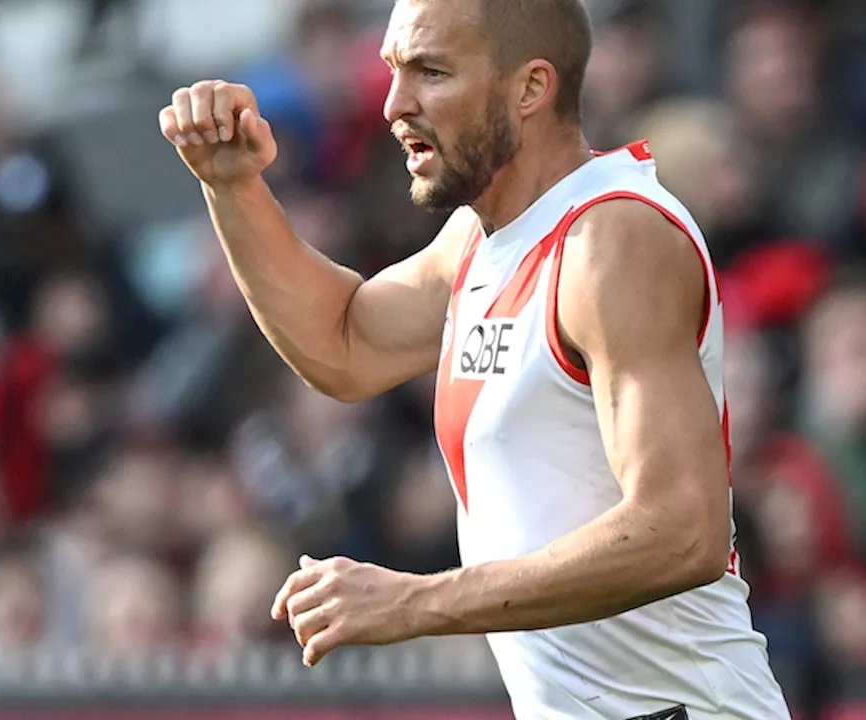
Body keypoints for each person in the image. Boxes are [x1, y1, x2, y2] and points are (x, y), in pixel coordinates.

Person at [158, 0, 790, 717]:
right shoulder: (481, 240)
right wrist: (234, 187)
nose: (396, 104)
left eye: (432, 72)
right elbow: (342, 345)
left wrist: (420, 600)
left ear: (530, 88)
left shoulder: (612, 241)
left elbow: (683, 532)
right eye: (394, 70)